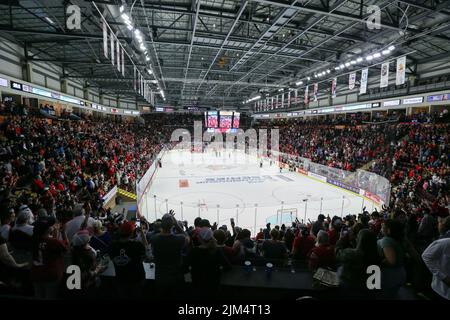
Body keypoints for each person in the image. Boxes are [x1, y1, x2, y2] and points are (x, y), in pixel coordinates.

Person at [150, 213, 189, 297]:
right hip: (176, 278)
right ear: (172, 226)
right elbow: (187, 237)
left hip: (160, 277)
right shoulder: (179, 239)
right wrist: (177, 225)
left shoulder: (154, 238)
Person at [187, 227, 231, 299]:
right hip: (213, 286)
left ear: (200, 238)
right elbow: (228, 267)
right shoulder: (217, 251)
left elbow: (185, 267)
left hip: (197, 285)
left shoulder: (194, 251)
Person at [30, 216, 68, 299]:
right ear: (47, 229)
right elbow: (66, 248)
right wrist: (63, 232)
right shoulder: (53, 242)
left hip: (36, 274)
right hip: (50, 275)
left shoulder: (34, 240)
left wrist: (55, 234)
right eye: (51, 225)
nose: (54, 226)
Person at [335, 229, 381, 295]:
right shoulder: (377, 255)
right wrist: (353, 240)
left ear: (360, 239)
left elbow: (337, 253)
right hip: (368, 289)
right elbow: (362, 247)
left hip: (352, 287)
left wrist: (341, 239)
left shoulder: (353, 254)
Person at [109, 221, 146, 298]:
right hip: (136, 280)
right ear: (132, 233)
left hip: (120, 280)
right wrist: (142, 233)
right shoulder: (137, 245)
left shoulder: (112, 246)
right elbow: (148, 254)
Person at [377, 219, 407, 299]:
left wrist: (378, 262)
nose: (381, 228)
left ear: (389, 230)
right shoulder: (402, 239)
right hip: (401, 271)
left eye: (383, 227)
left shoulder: (386, 240)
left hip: (390, 275)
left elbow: (391, 261)